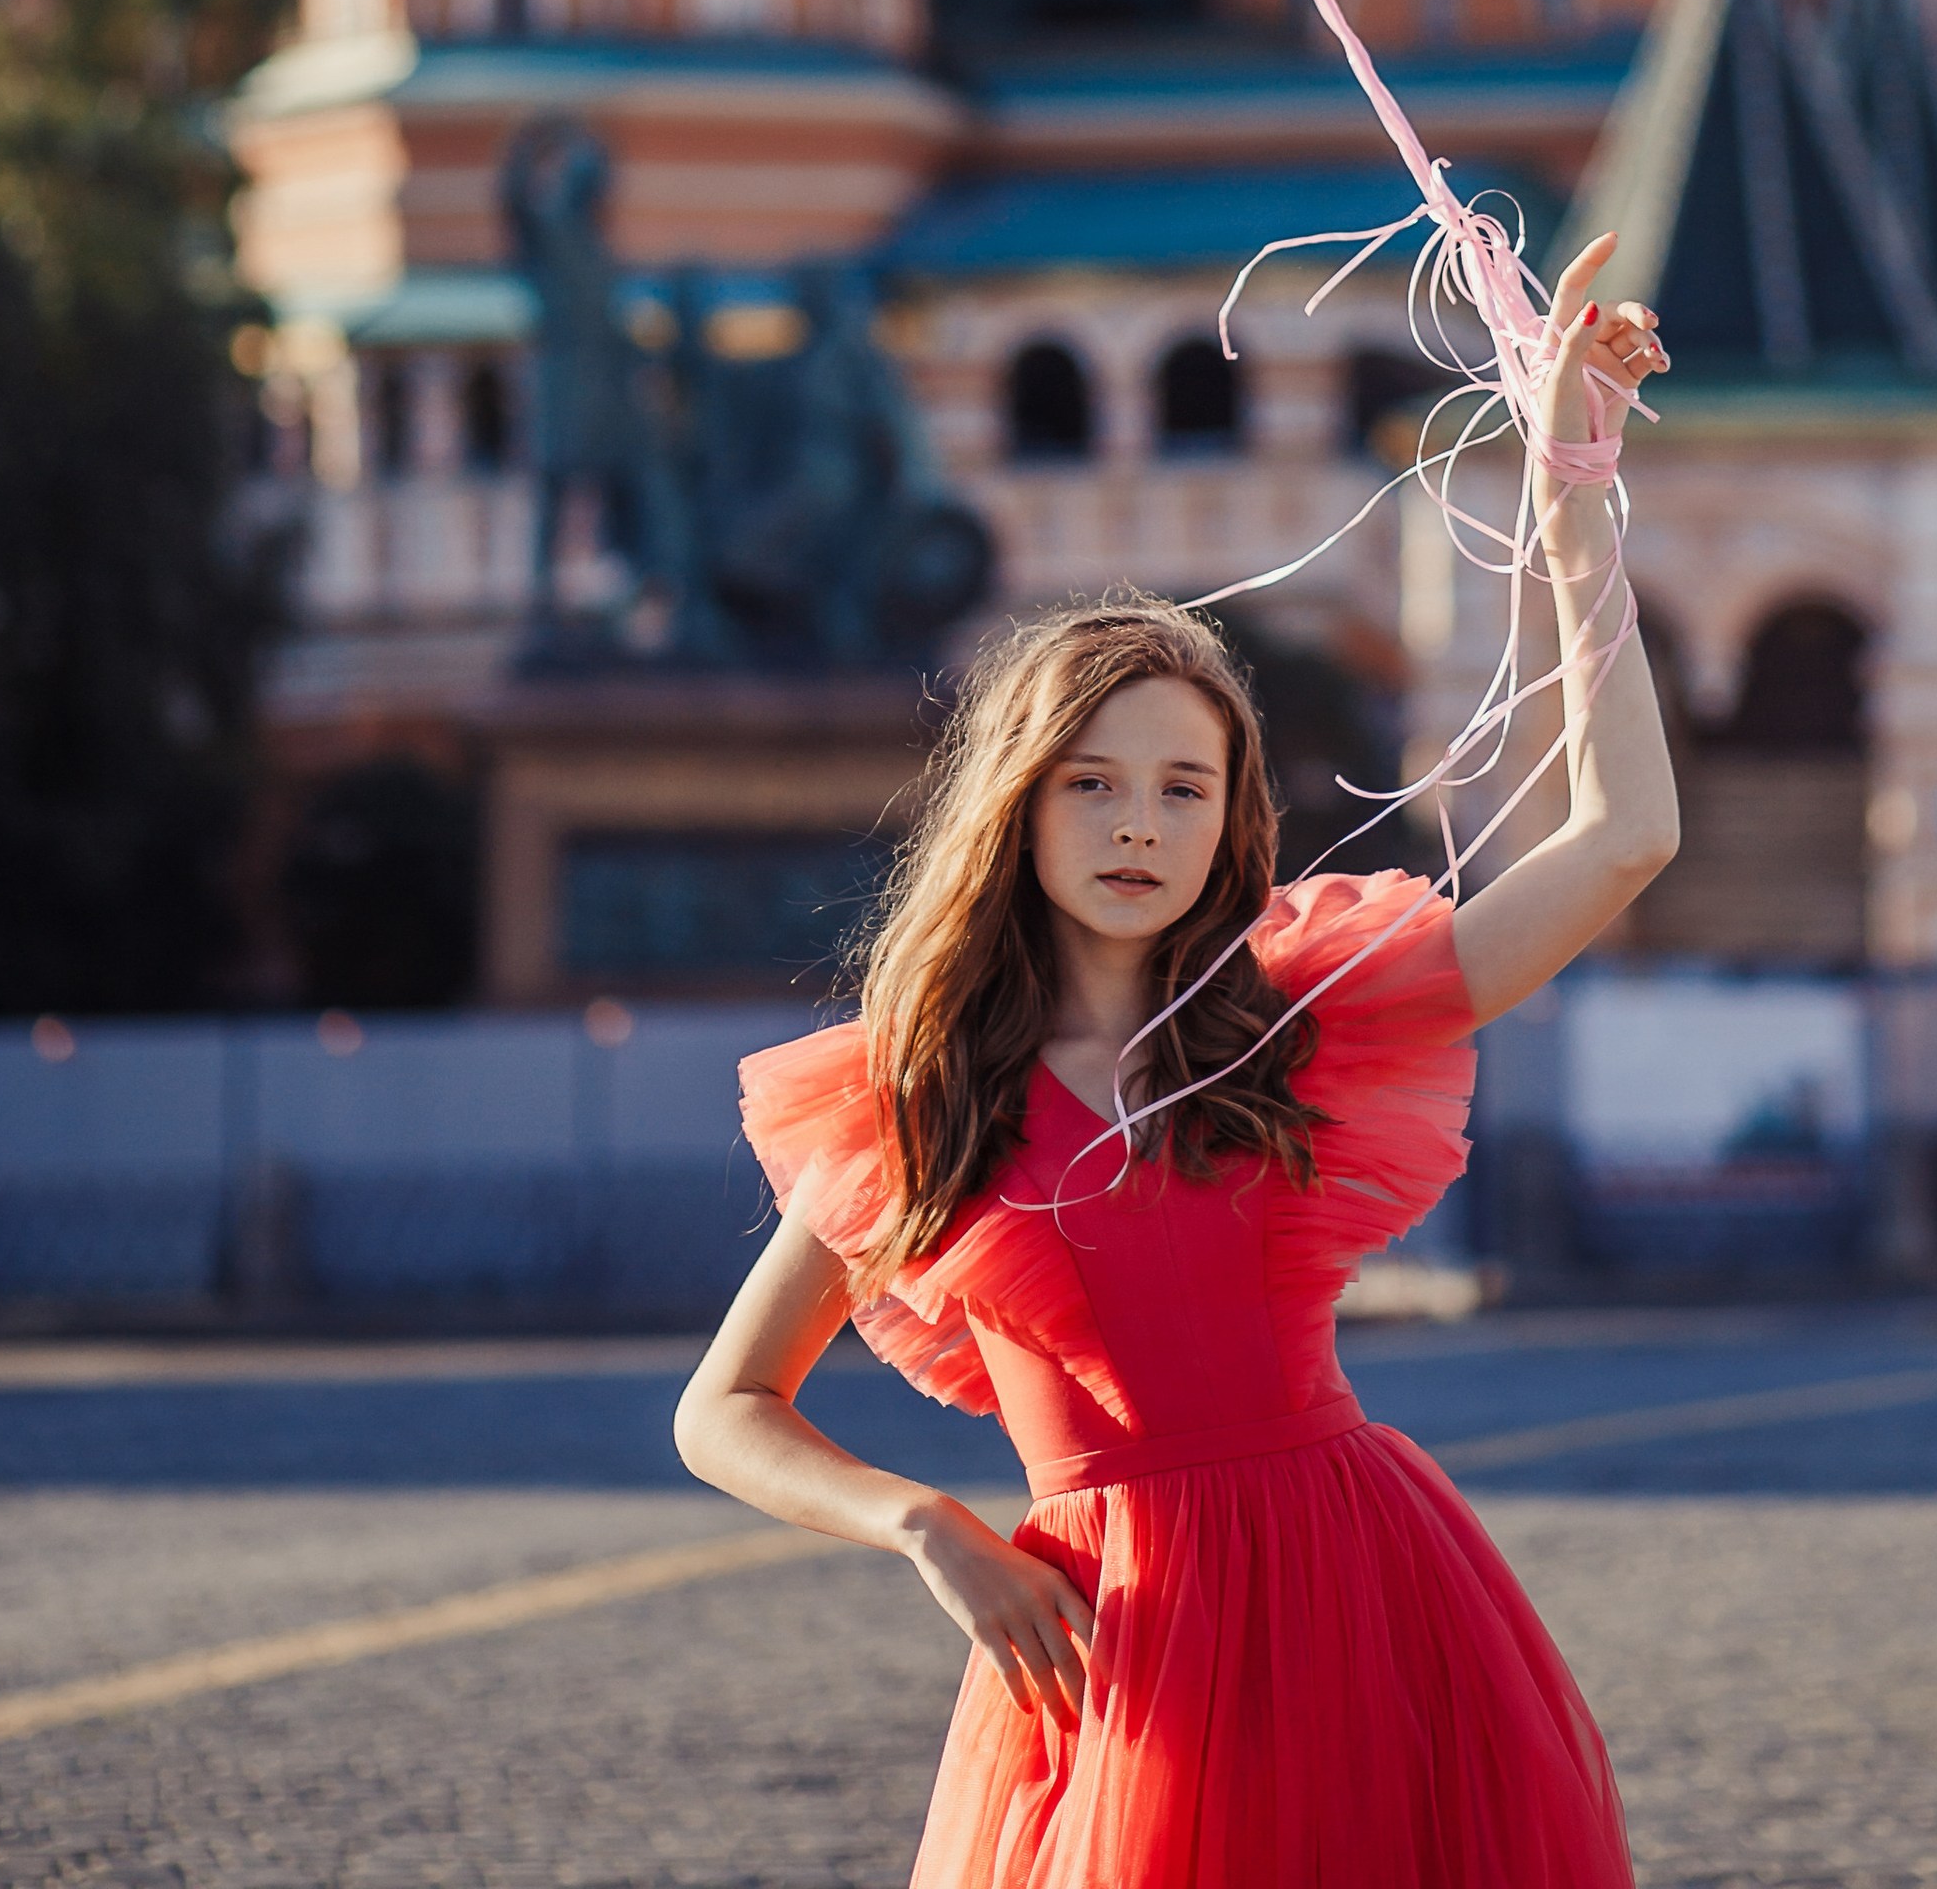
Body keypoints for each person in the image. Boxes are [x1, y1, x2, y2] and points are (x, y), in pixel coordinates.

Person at [673, 231, 1676, 1888]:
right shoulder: (916, 1092)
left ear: (1234, 823)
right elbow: (725, 1409)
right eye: (1093, 782)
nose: (1141, 822)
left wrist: (1571, 496)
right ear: (1017, 802)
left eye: (1185, 788)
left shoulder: (1301, 1021)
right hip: (1111, 1642)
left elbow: (1627, 839)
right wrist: (926, 1524)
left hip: (1365, 1597)